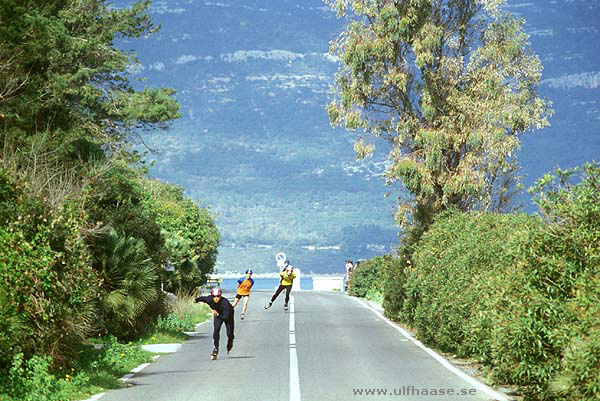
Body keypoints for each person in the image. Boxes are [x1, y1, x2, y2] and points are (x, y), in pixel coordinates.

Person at [195, 287, 234, 359]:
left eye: (218, 296)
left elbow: (225, 317)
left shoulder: (225, 303)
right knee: (216, 329)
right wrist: (196, 300)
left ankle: (230, 340)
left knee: (229, 333)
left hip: (228, 315)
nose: (216, 298)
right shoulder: (209, 299)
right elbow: (202, 298)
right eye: (214, 296)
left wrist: (218, 315)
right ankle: (216, 348)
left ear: (220, 296)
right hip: (217, 314)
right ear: (212, 296)